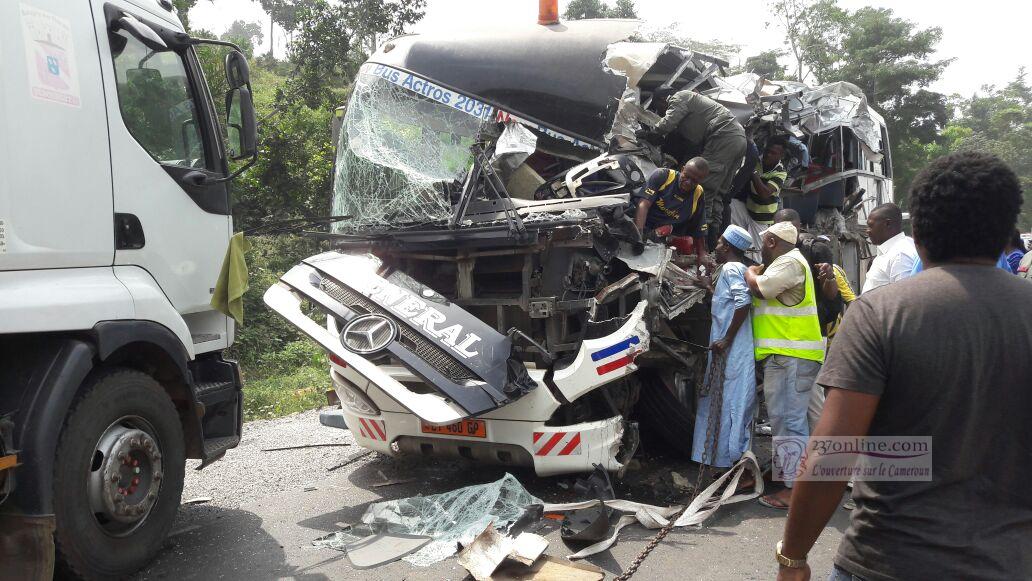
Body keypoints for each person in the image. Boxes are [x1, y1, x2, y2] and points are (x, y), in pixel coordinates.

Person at [774, 151, 1032, 581]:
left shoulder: (881, 314)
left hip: (887, 559)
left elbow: (832, 456)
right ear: (1006, 231)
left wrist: (793, 557)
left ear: (919, 233)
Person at [743, 221, 824, 510]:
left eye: (764, 242)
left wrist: (749, 271)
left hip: (791, 356)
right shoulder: (791, 261)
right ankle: (799, 478)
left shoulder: (789, 262)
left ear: (773, 242)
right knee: (796, 420)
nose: (761, 248)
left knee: (790, 423)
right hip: (792, 356)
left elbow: (761, 289)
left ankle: (795, 491)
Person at [644, 89, 747, 247]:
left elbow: (670, 121)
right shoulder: (696, 102)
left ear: (664, 99)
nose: (662, 111)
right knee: (718, 195)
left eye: (660, 107)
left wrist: (652, 132)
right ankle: (712, 243)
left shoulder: (680, 96)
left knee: (704, 190)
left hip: (723, 136)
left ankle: (703, 244)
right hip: (738, 139)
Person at [692, 225, 757, 473]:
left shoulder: (730, 269)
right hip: (729, 348)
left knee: (729, 402)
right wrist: (709, 287)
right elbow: (728, 303)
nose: (715, 247)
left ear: (728, 247)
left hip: (732, 349)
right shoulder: (736, 269)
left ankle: (729, 462)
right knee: (725, 400)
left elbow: (743, 302)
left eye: (718, 243)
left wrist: (727, 339)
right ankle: (723, 460)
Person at [633, 158, 712, 265]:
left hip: (665, 239)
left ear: (701, 181)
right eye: (686, 176)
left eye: (694, 181)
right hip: (643, 227)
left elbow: (699, 228)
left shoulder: (698, 194)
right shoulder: (662, 176)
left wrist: (702, 254)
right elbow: (643, 204)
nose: (688, 182)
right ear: (682, 169)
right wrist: (639, 235)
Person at [731, 138, 789, 262]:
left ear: (781, 156)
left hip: (761, 219)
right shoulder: (757, 160)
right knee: (730, 205)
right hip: (747, 209)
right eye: (768, 151)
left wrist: (753, 173)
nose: (768, 154)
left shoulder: (781, 172)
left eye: (773, 153)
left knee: (754, 256)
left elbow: (765, 193)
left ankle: (750, 276)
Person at [860, 203, 917, 294]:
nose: (867, 230)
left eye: (871, 225)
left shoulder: (900, 254)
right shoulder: (890, 251)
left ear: (887, 224)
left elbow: (903, 298)